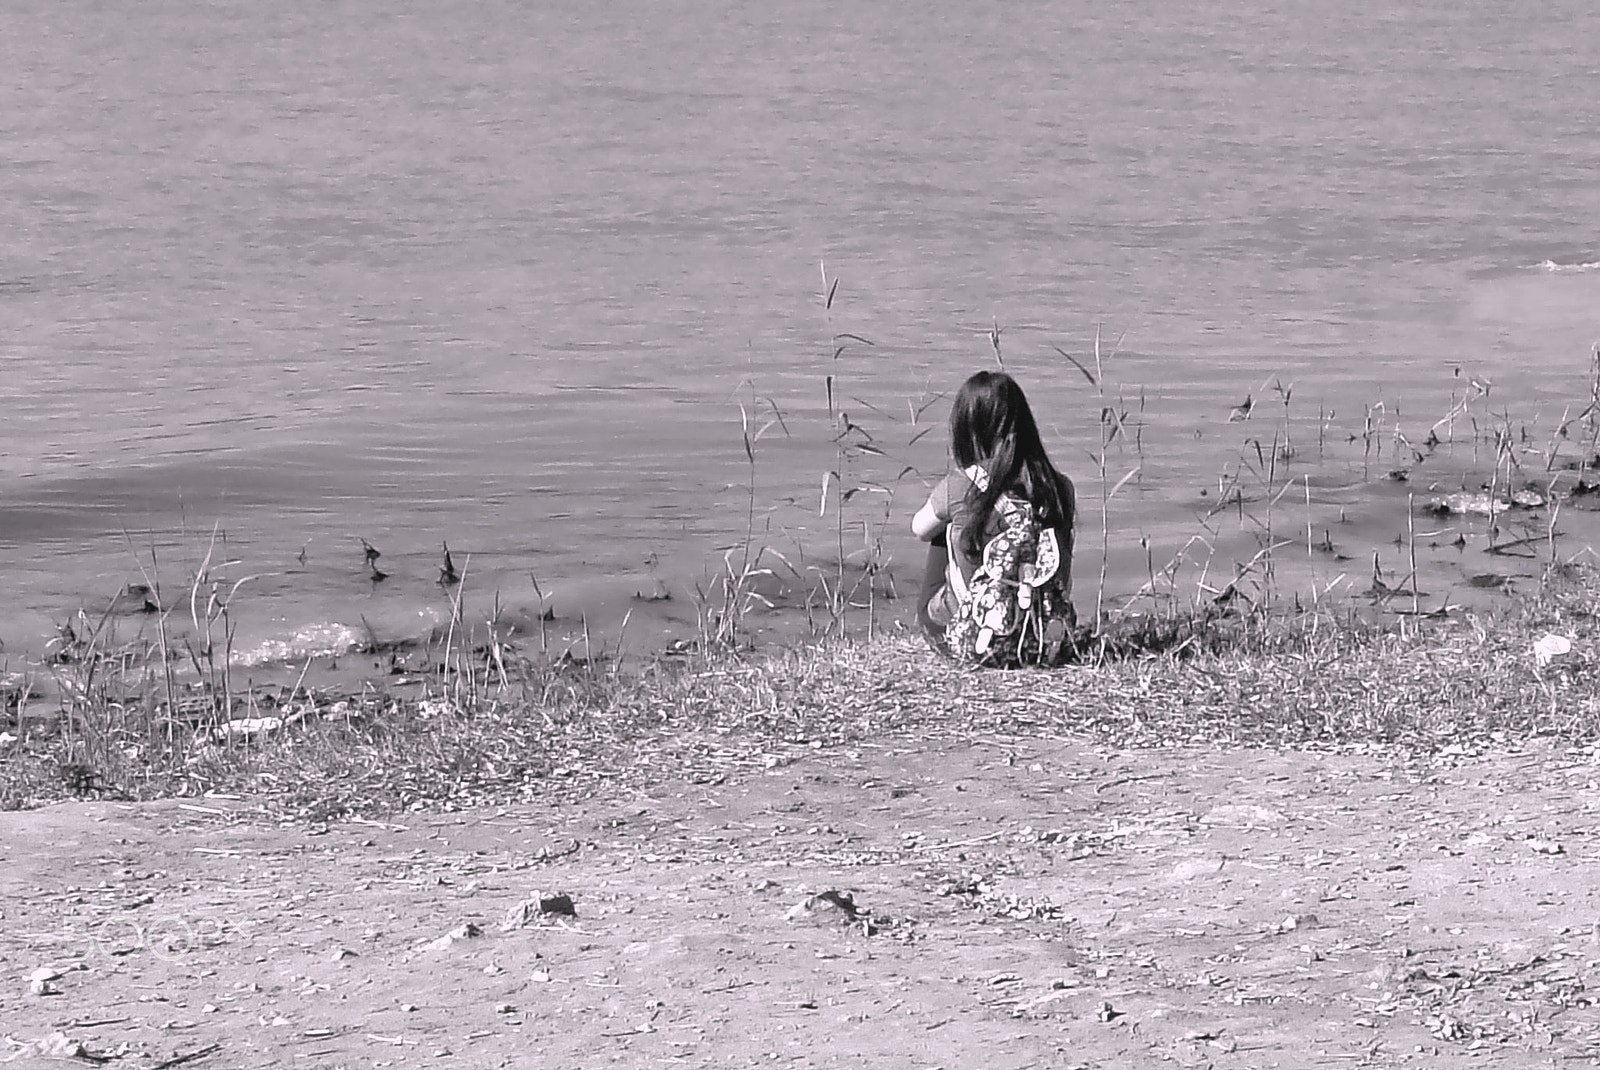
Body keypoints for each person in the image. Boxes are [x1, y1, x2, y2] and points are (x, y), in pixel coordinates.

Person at [912, 371, 1076, 663]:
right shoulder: (1058, 487)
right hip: (1038, 635)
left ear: (966, 429)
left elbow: (918, 528)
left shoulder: (961, 484)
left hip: (971, 633)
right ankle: (1033, 627)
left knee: (939, 530)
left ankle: (954, 625)